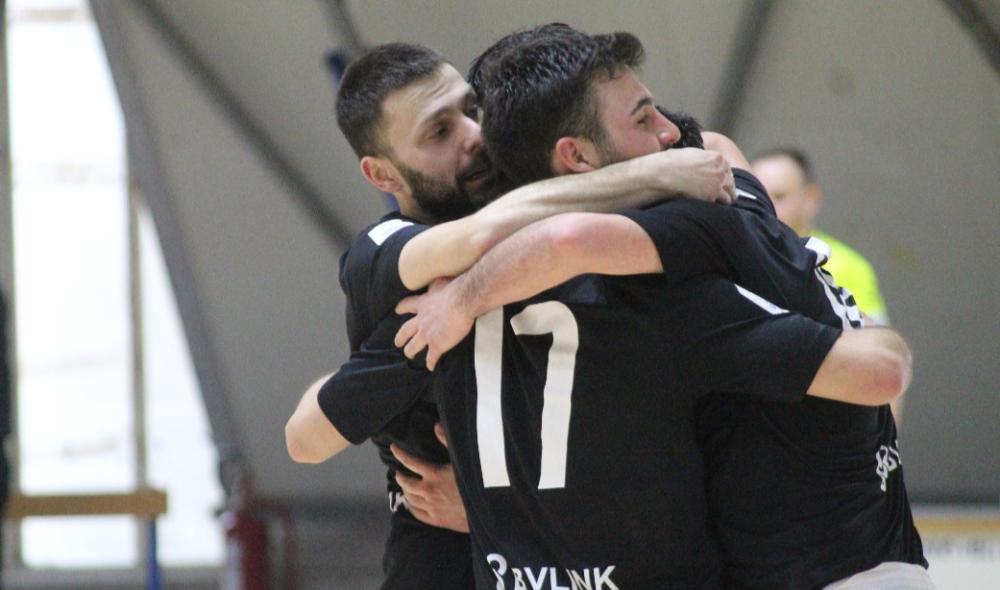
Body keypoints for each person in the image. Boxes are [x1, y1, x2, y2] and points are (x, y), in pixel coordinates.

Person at [393, 24, 929, 589]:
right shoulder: (735, 191)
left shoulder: (682, 250)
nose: (668, 133)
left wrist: (459, 301)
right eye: (645, 120)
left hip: (836, 569)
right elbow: (711, 144)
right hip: (864, 549)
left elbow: (565, 239)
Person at [284, 42, 735, 589]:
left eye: (471, 108)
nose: (474, 135)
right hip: (447, 561)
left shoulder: (537, 208)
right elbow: (305, 437)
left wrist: (498, 501)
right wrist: (658, 173)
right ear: (382, 174)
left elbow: (717, 154)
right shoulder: (384, 250)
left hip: (569, 544)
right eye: (439, 132)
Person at [752, 147, 904, 422]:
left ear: (811, 198)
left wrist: (887, 440)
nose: (767, 207)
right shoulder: (739, 258)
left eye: (779, 196)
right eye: (758, 195)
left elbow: (883, 357)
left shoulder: (849, 266)